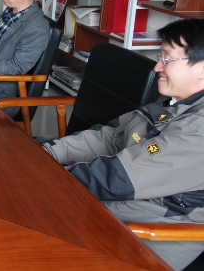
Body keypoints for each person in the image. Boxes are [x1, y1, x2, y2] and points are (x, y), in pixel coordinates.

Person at [42, 19, 204, 270]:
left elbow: (117, 179)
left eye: (167, 58)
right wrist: (50, 152)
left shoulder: (198, 130)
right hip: (117, 210)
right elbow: (110, 136)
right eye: (160, 57)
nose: (157, 67)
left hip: (148, 240)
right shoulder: (173, 103)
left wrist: (46, 176)